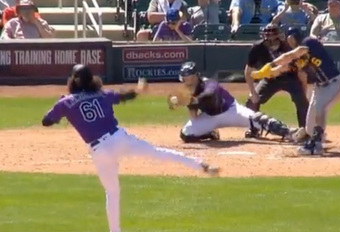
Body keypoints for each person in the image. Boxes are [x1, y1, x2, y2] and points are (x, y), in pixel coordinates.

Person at [41, 64, 220, 232]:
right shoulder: (102, 94)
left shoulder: (66, 102)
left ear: (72, 81)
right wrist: (138, 90)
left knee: (112, 192)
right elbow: (124, 96)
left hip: (99, 150)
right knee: (158, 153)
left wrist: (61, 107)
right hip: (119, 139)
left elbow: (46, 121)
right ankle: (200, 165)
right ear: (92, 80)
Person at [253, 27, 340, 155]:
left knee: (320, 108)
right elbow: (285, 66)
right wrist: (267, 72)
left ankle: (317, 143)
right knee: (309, 125)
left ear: (292, 37)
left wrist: (270, 65)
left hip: (334, 83)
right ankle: (315, 137)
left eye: (288, 37)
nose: (287, 40)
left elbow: (290, 55)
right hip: (319, 87)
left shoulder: (309, 42)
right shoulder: (297, 56)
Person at [173, 61, 304, 143]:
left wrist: (192, 99)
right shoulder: (187, 92)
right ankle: (210, 133)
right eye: (185, 78)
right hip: (210, 117)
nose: (187, 81)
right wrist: (189, 103)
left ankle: (290, 132)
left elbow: (209, 94)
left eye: (190, 77)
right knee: (186, 134)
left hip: (232, 111)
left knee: (258, 119)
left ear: (197, 76)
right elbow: (194, 117)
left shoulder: (209, 83)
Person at [243, 23, 309, 139]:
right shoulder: (258, 47)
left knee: (302, 102)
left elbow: (300, 70)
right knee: (251, 102)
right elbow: (248, 71)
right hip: (270, 79)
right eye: (268, 36)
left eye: (274, 36)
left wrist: (303, 88)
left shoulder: (287, 46)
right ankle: (254, 129)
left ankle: (304, 130)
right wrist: (253, 92)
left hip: (290, 77)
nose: (271, 40)